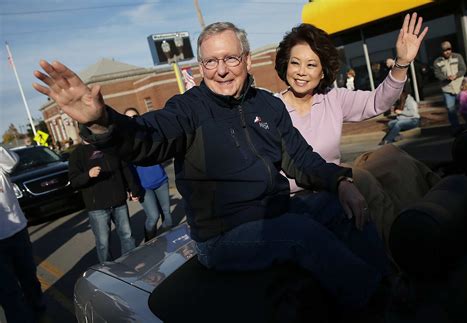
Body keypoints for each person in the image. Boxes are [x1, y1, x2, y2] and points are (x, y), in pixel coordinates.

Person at [33, 22, 391, 312]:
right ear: (200, 66)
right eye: (210, 62)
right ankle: (376, 305)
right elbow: (147, 137)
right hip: (223, 237)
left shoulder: (269, 106)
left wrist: (341, 182)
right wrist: (102, 123)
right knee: (302, 233)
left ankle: (387, 283)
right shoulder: (187, 109)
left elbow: (301, 160)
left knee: (340, 206)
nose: (221, 71)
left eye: (230, 59)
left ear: (247, 60)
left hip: (276, 216)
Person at [274, 14, 438, 247]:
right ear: (285, 64)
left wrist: (402, 63)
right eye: (295, 62)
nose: (301, 71)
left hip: (336, 180)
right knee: (361, 180)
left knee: (395, 159)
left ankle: (435, 216)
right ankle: (399, 252)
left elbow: (377, 102)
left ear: (322, 72)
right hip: (301, 196)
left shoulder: (332, 97)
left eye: (311, 64)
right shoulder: (270, 107)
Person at [68, 140, 141, 263]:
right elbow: (74, 181)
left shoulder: (109, 146)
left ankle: (131, 263)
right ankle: (107, 271)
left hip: (119, 201)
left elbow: (124, 169)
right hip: (97, 207)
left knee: (127, 236)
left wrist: (133, 189)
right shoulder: (77, 154)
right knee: (103, 243)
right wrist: (88, 175)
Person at [0, 145, 45, 322]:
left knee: (29, 278)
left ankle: (38, 311)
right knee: (8, 290)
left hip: (17, 231)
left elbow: (12, 162)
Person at [124, 107, 173, 241]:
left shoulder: (149, 135)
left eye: (135, 117)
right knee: (153, 217)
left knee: (167, 218)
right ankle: (149, 243)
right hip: (144, 186)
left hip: (161, 180)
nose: (132, 120)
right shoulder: (126, 144)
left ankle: (167, 245)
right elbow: (125, 170)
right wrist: (130, 189)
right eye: (128, 118)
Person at [433, 41, 467, 133]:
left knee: (464, 107)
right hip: (447, 89)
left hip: (460, 87)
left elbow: (463, 69)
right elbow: (437, 74)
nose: (447, 52)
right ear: (441, 51)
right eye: (445, 50)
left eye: (449, 49)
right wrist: (446, 78)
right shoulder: (437, 61)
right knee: (451, 110)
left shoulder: (458, 56)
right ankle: (456, 129)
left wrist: (456, 75)